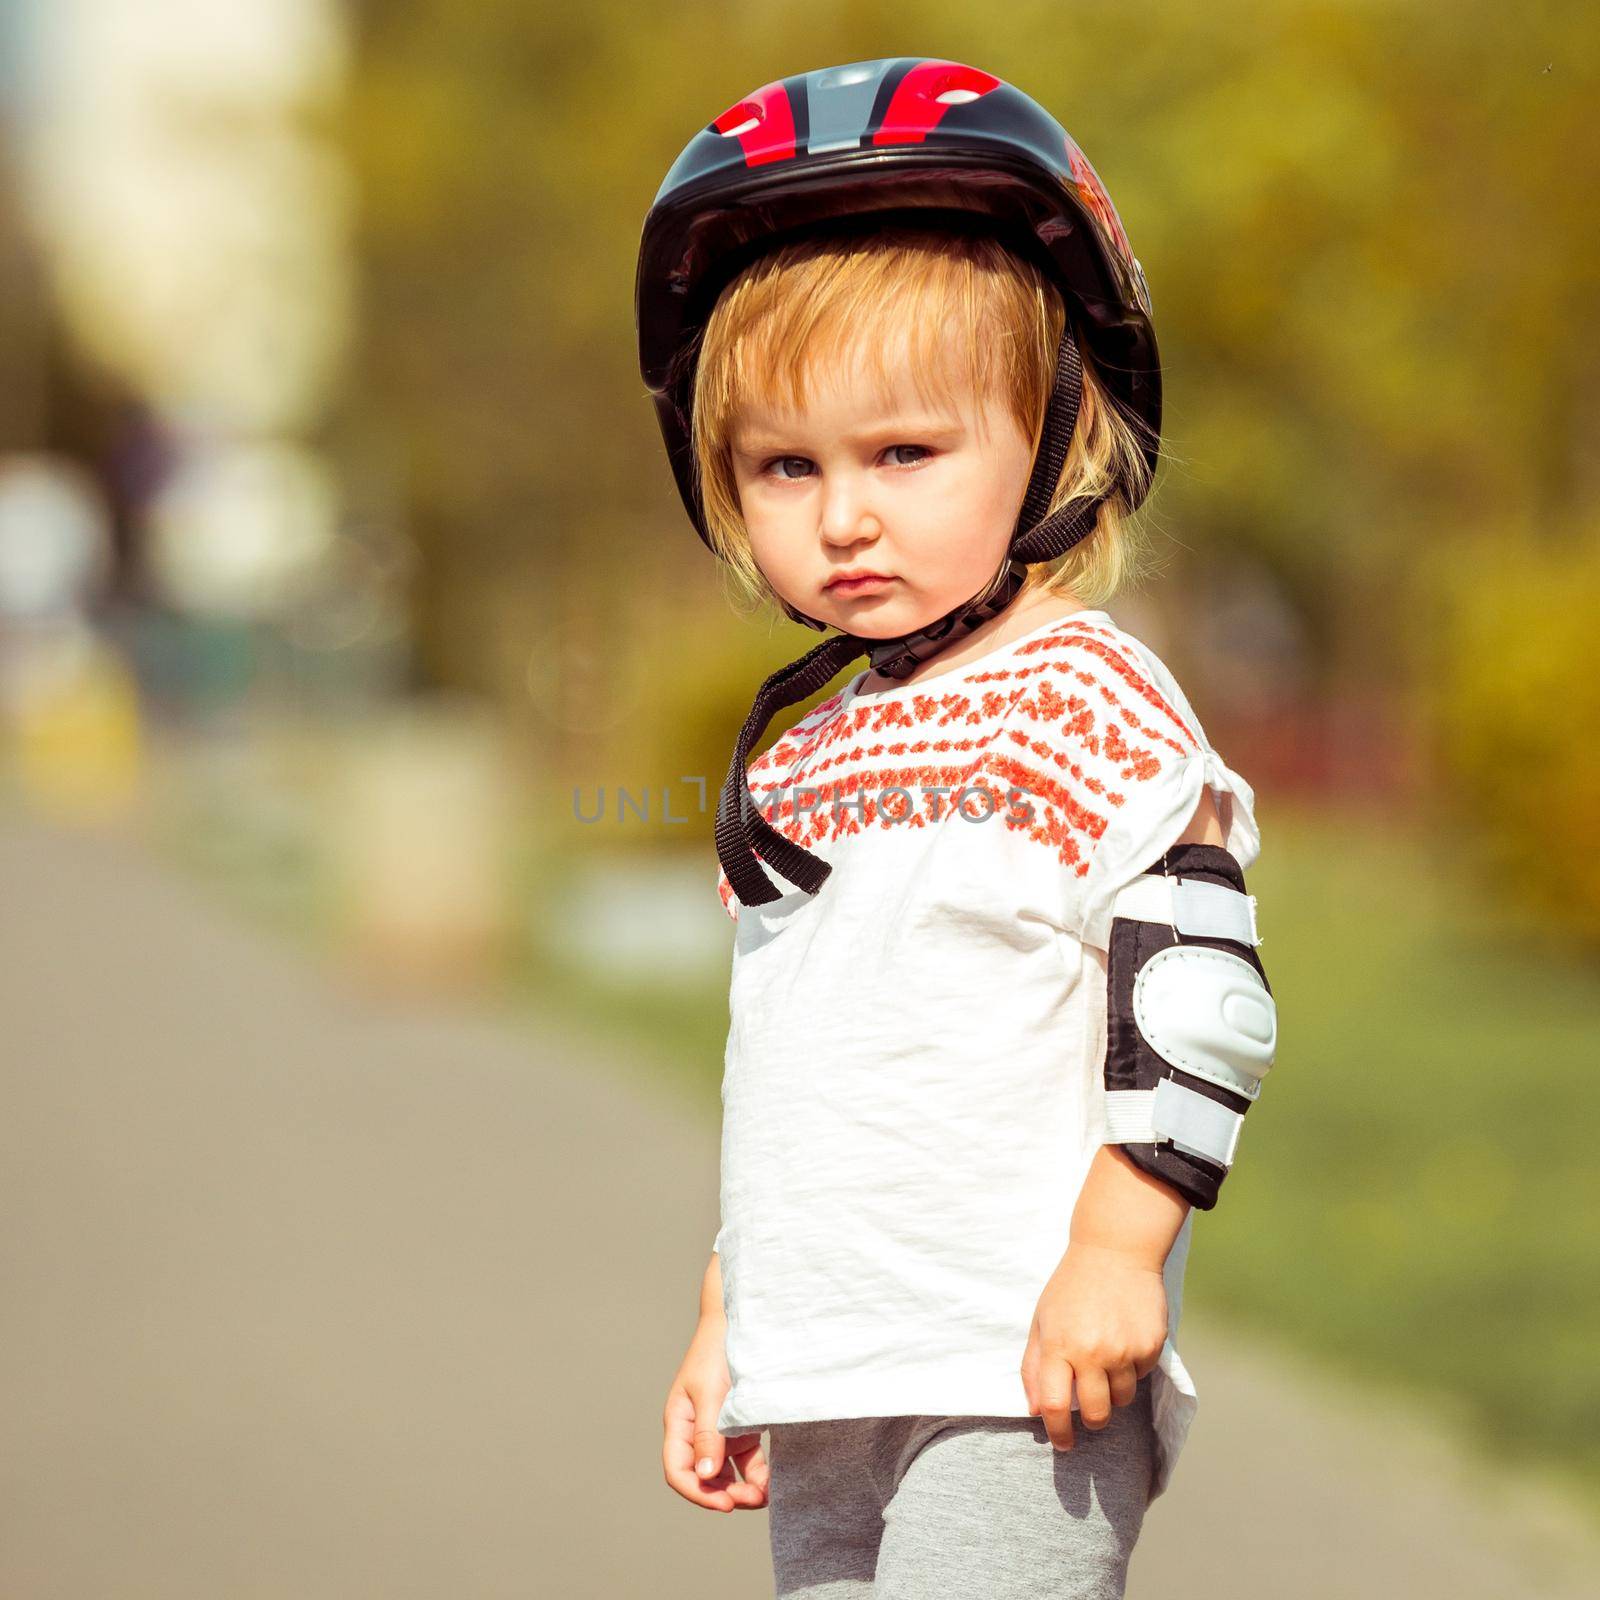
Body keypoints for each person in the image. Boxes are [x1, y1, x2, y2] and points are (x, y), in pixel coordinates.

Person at [638, 58, 1277, 1597]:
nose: (843, 515)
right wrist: (737, 1322)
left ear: (1055, 435)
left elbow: (1198, 989)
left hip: (1020, 1367)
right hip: (828, 1369)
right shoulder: (801, 767)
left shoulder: (1085, 695)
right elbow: (788, 1062)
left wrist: (1121, 1254)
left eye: (903, 455)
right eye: (788, 467)